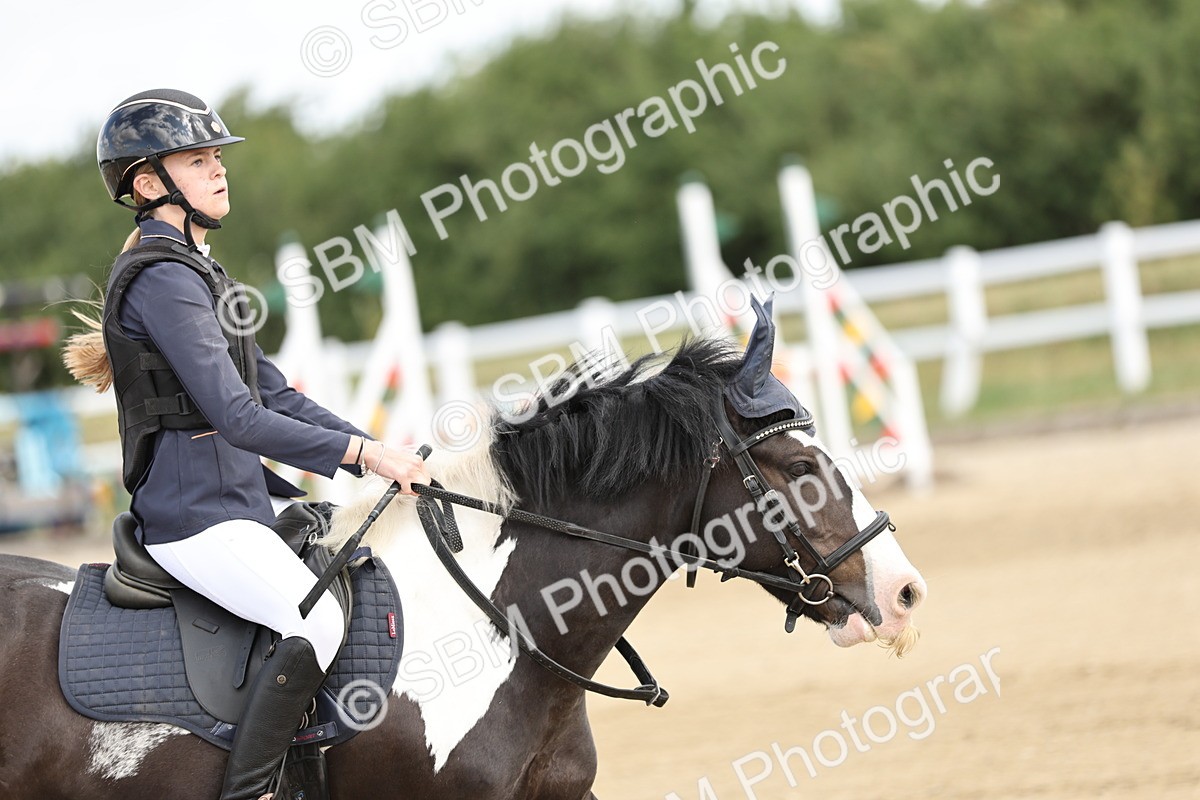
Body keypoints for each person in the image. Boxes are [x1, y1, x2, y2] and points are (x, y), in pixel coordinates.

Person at [67, 88, 430, 800]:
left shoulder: (200, 272)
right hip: (194, 519)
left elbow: (279, 395)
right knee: (317, 621)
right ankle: (251, 792)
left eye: (217, 158)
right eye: (197, 160)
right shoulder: (164, 280)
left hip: (238, 504)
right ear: (148, 184)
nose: (218, 170)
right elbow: (237, 417)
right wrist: (364, 458)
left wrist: (383, 450)